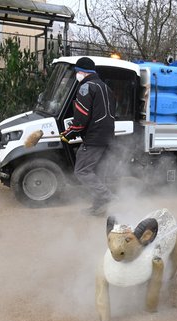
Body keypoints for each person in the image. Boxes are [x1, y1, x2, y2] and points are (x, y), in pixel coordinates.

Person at [61, 57, 117, 216]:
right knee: (99, 173)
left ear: (83, 72)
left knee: (82, 171)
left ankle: (106, 196)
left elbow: (82, 117)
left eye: (77, 72)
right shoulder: (107, 88)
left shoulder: (86, 87)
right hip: (108, 137)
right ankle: (99, 209)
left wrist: (70, 132)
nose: (76, 75)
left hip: (94, 138)